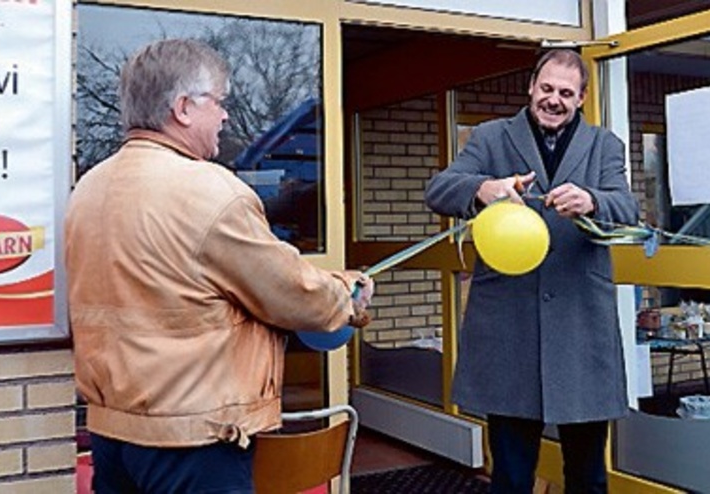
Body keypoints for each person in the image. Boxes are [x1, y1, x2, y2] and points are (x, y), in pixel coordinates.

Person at [65, 39, 373, 494]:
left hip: (112, 434)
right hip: (195, 439)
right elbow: (290, 294)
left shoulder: (88, 189)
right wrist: (346, 296)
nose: (226, 115)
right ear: (184, 108)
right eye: (220, 101)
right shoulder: (210, 192)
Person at [424, 49, 639, 493]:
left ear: (581, 98)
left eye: (566, 92)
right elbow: (439, 189)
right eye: (546, 89)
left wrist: (593, 201)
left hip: (582, 331)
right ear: (530, 88)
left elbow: (628, 208)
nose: (554, 100)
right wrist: (484, 188)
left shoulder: (605, 145)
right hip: (509, 332)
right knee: (511, 477)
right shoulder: (489, 137)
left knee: (588, 477)